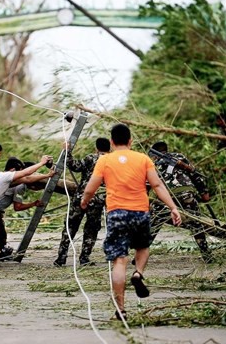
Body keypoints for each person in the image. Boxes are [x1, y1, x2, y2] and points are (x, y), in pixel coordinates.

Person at [80, 123, 181, 321]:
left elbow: (91, 188)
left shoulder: (105, 160)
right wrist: (173, 207)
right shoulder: (143, 159)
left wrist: (84, 201)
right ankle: (138, 273)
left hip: (117, 213)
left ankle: (121, 310)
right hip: (140, 212)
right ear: (130, 141)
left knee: (119, 260)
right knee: (142, 247)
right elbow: (157, 185)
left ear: (111, 142)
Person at [148, 141, 213, 262]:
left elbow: (148, 184)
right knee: (196, 224)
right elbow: (196, 176)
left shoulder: (153, 164)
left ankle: (142, 254)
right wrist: (204, 194)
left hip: (165, 198)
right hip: (186, 194)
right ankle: (206, 254)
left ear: (155, 154)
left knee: (155, 223)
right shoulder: (179, 157)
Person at [54, 137, 110, 267]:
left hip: (81, 197)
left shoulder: (91, 158)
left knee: (70, 226)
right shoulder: (112, 161)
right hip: (98, 199)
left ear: (96, 148)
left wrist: (67, 152)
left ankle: (61, 257)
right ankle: (84, 258)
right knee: (91, 229)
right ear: (109, 148)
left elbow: (75, 166)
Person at [0, 157, 48, 262]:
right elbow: (18, 207)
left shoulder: (12, 179)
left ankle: (3, 253)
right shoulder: (20, 186)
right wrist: (34, 204)